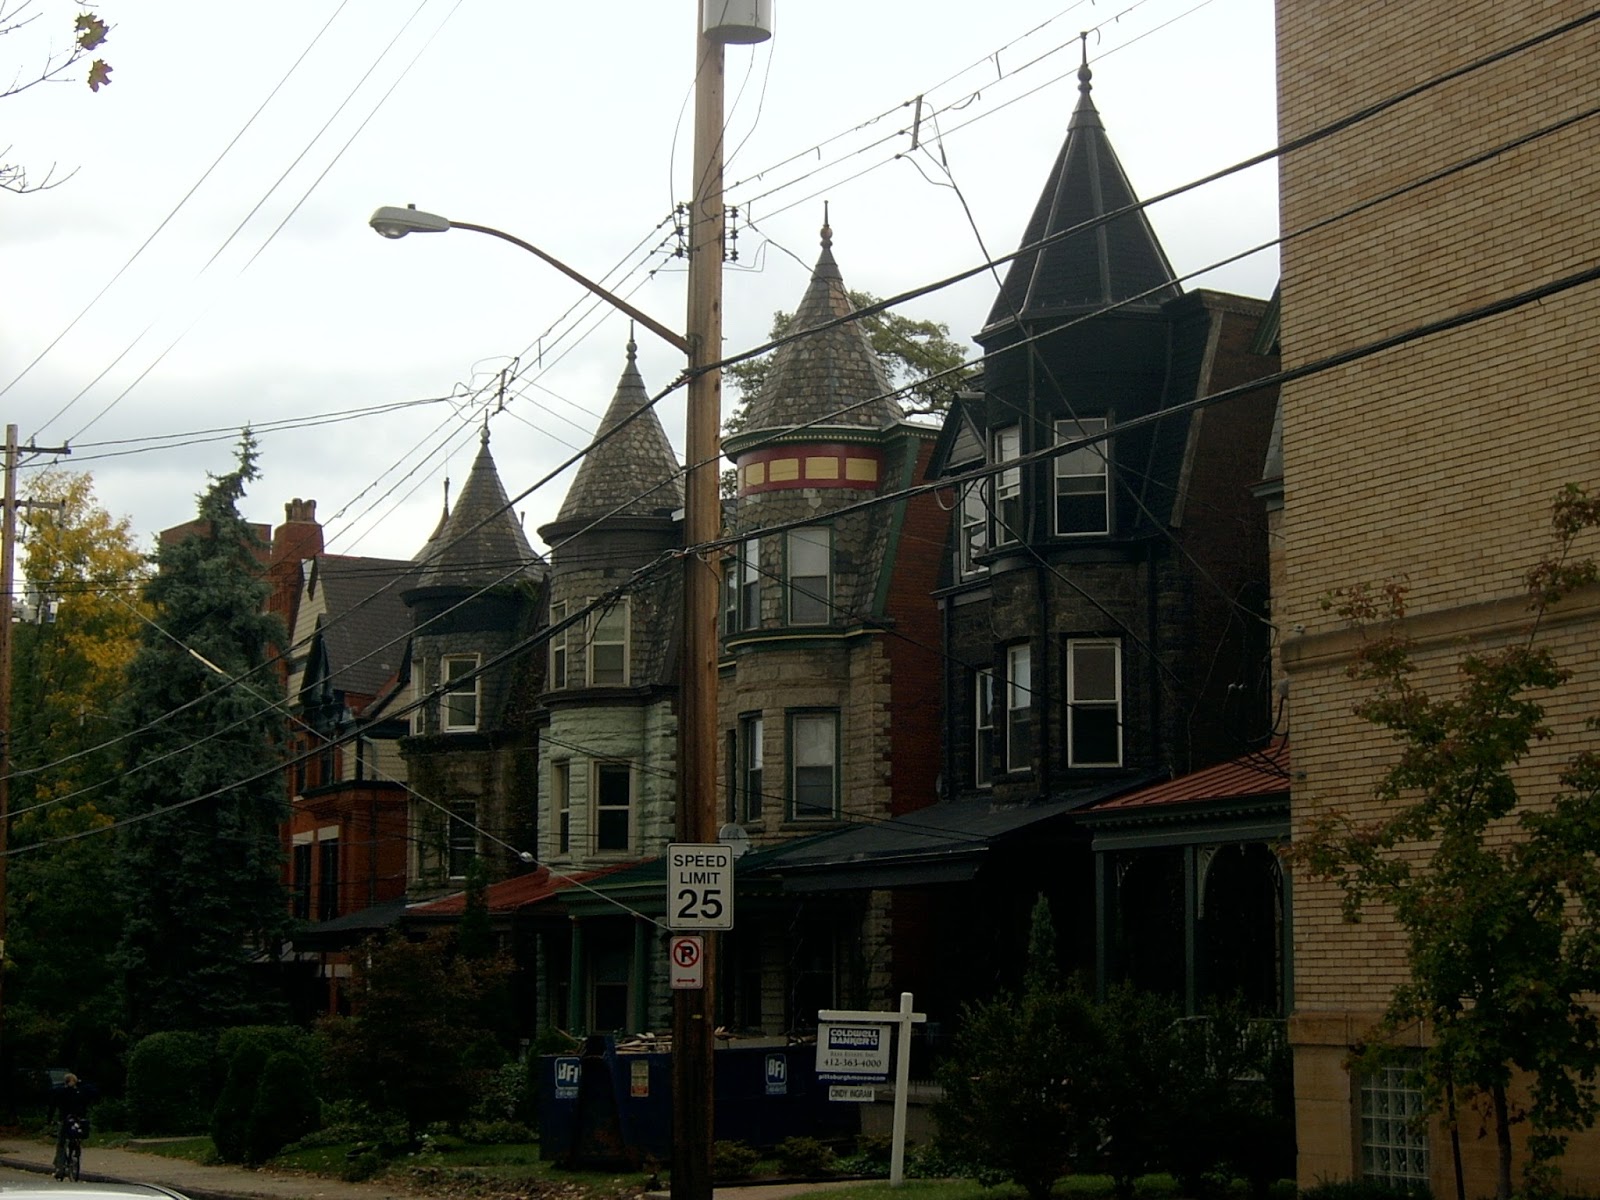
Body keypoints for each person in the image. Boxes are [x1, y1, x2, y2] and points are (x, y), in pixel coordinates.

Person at [48, 1072, 97, 1179]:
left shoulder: (60, 1091)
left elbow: (53, 1105)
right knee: (77, 1137)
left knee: (61, 1144)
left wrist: (49, 1120)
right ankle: (76, 1152)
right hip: (79, 1120)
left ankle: (59, 1168)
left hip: (65, 1120)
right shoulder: (82, 1091)